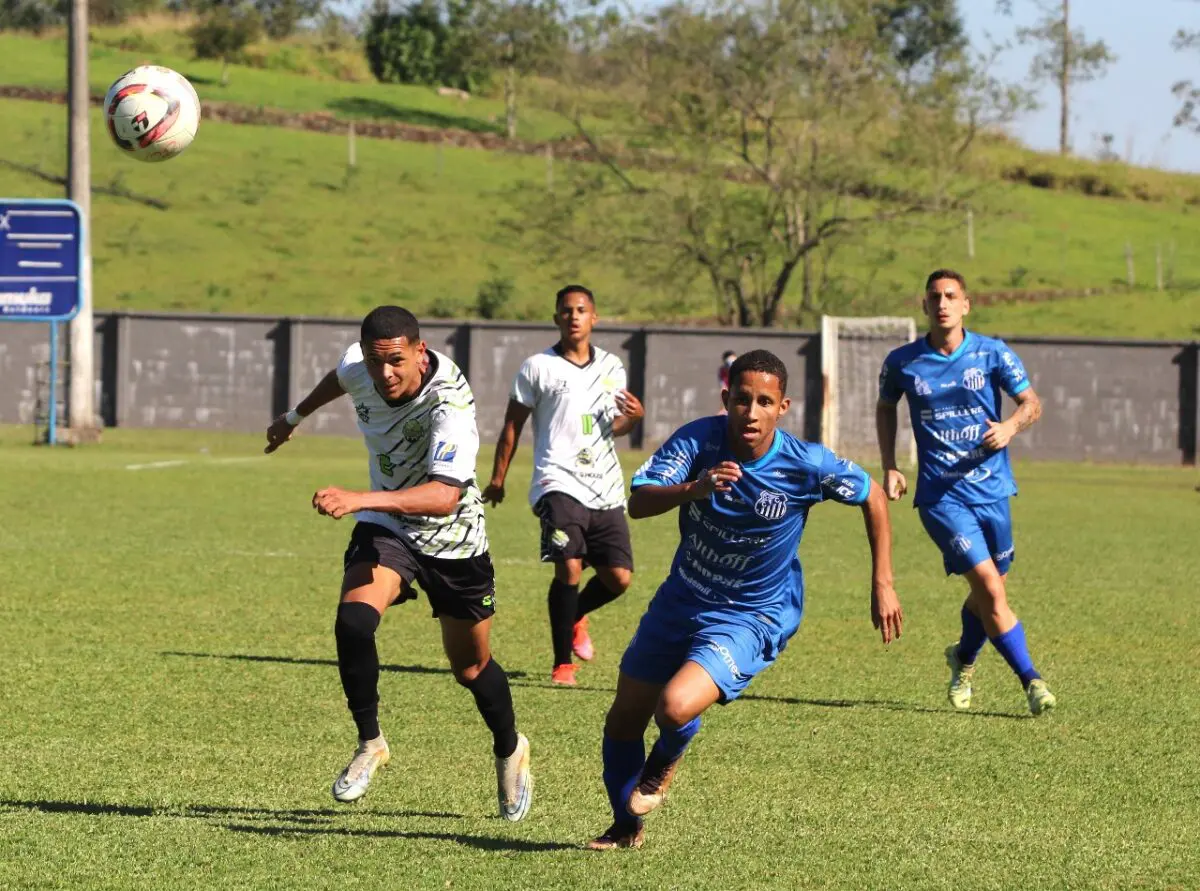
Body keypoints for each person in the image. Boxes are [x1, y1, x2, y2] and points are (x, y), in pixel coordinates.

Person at [587, 349, 903, 850]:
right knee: (624, 718)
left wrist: (882, 580)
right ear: (725, 398)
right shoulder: (698, 441)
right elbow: (640, 499)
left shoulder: (806, 465)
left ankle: (664, 762)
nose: (750, 412)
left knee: (673, 707)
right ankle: (626, 828)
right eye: (741, 399)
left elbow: (872, 495)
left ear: (783, 407)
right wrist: (694, 488)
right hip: (682, 599)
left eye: (763, 402)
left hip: (753, 614)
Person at [264, 305, 533, 821]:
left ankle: (509, 748)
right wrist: (293, 418)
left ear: (419, 352)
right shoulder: (360, 365)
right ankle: (371, 742)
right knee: (353, 621)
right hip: (389, 527)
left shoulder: (449, 404)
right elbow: (338, 379)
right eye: (373, 362)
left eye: (394, 362)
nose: (383, 374)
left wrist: (360, 498)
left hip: (453, 538)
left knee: (472, 668)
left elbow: (443, 497)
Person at [876, 269, 1056, 717]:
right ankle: (1032, 680)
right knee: (992, 592)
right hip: (940, 497)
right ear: (924, 306)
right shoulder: (902, 361)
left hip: (993, 490)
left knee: (986, 595)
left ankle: (963, 657)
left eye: (950, 295)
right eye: (934, 296)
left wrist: (1011, 427)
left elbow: (1032, 403)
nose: (942, 303)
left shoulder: (992, 353)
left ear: (965, 305)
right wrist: (891, 465)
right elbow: (885, 407)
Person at [483, 285, 645, 686]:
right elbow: (512, 425)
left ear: (594, 317)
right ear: (556, 318)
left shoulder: (612, 367)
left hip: (605, 484)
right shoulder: (538, 367)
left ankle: (574, 616)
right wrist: (498, 478)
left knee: (619, 578)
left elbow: (616, 426)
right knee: (569, 566)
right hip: (556, 480)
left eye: (581, 310)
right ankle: (562, 665)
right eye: (566, 310)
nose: (574, 316)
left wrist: (635, 418)